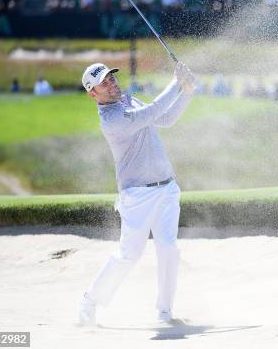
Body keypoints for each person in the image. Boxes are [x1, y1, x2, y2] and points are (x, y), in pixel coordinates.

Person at [78, 61, 197, 326]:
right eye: (104, 83)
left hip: (166, 188)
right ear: (93, 94)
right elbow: (154, 110)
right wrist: (176, 82)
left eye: (111, 78)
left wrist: (187, 92)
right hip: (137, 197)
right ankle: (90, 301)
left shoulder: (129, 102)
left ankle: (165, 311)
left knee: (168, 249)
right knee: (129, 255)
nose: (112, 84)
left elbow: (164, 118)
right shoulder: (112, 120)